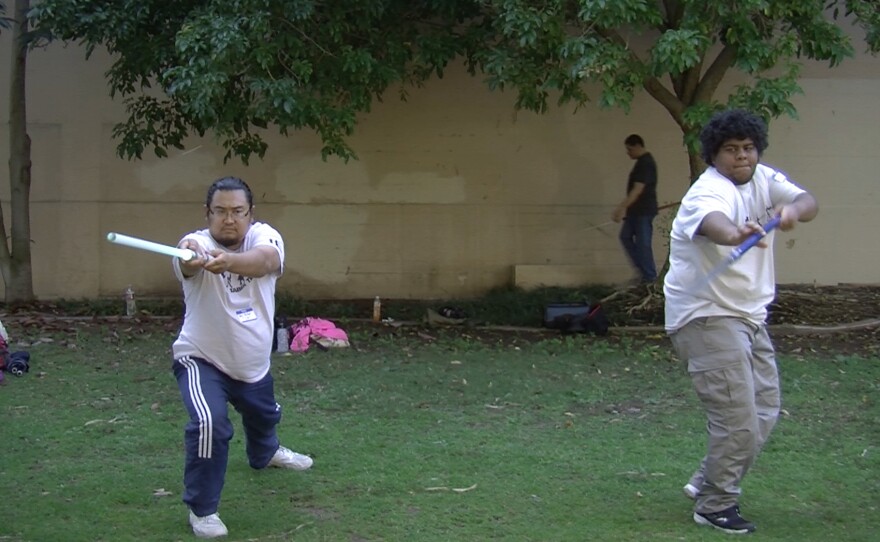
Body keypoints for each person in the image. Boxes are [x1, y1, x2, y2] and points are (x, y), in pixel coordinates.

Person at [664, 109, 818, 534]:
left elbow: (809, 202)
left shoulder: (765, 178)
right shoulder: (707, 193)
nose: (741, 157)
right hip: (706, 317)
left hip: (749, 316)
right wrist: (737, 233)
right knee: (737, 420)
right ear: (715, 156)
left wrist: (793, 213)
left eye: (747, 148)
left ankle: (707, 479)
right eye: (731, 150)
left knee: (764, 410)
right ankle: (715, 504)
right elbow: (716, 226)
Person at [171, 176, 313, 539]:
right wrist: (191, 256)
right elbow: (187, 261)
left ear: (251, 214)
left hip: (252, 363)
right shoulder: (194, 244)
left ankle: (265, 453)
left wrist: (229, 261)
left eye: (237, 211)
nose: (229, 219)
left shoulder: (265, 237)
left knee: (264, 415)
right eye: (220, 211)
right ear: (208, 214)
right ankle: (203, 510)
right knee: (209, 423)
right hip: (202, 358)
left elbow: (265, 261)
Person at [612, 134, 659, 283]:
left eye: (630, 149)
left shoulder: (646, 163)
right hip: (635, 211)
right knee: (625, 237)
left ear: (638, 146)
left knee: (643, 243)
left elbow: (637, 189)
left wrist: (621, 208)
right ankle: (641, 270)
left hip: (643, 211)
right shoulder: (640, 163)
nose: (628, 153)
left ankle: (649, 276)